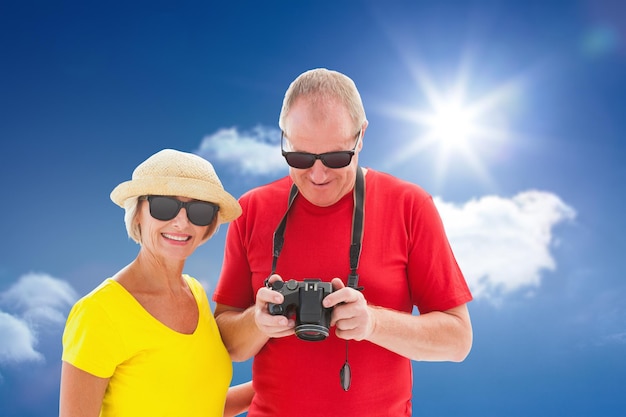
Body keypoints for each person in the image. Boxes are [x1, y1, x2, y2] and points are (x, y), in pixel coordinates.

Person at [212, 68, 474, 416]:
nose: (318, 175)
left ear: (360, 137)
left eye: (336, 158)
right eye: (300, 158)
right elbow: (227, 344)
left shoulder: (410, 206)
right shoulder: (251, 209)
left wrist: (373, 324)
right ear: (284, 140)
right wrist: (256, 322)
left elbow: (457, 341)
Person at [60, 149, 253, 417]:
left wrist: (275, 382)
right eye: (164, 206)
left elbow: (197, 404)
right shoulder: (98, 313)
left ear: (209, 225)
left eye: (199, 211)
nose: (181, 222)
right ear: (137, 212)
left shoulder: (195, 293)